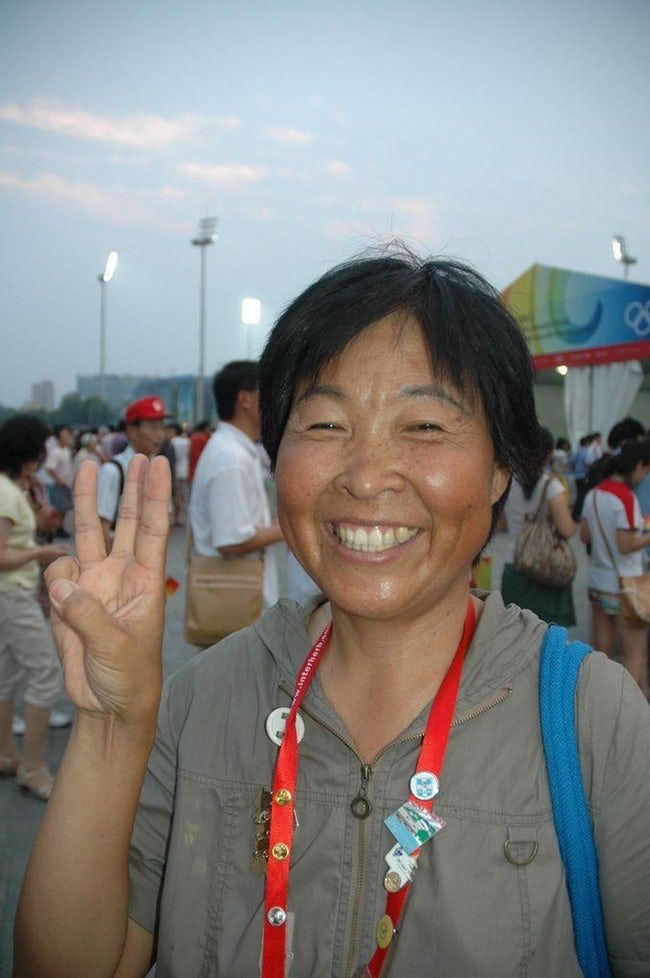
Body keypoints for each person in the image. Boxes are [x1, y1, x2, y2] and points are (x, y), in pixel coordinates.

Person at [15, 254, 650, 976]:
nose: (367, 474)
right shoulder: (199, 701)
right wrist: (109, 725)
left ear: (503, 465)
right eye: (323, 423)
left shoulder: (593, 718)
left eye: (425, 426)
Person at [0, 415, 68, 800]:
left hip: (9, 594)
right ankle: (33, 767)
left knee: (6, 675)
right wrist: (43, 552)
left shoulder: (10, 490)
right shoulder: (8, 493)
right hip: (13, 593)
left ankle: (8, 753)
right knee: (45, 673)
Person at [189, 361, 283, 611]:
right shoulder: (231, 458)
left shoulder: (236, 450)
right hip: (236, 600)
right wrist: (287, 528)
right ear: (245, 399)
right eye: (267, 392)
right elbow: (230, 540)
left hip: (241, 595)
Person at [581, 441, 650, 696]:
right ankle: (625, 707)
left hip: (598, 584)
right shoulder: (626, 497)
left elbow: (585, 535)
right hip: (626, 588)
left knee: (601, 651)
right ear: (640, 466)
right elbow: (627, 544)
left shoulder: (593, 494)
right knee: (635, 654)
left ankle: (599, 703)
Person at [500, 427, 577, 627]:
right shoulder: (552, 486)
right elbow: (567, 529)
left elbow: (500, 524)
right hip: (545, 567)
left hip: (514, 564)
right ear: (549, 454)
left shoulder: (508, 483)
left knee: (516, 632)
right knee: (547, 637)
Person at [96, 396, 167, 550]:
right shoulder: (113, 471)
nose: (160, 434)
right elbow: (102, 529)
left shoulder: (159, 469)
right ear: (132, 431)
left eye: (162, 427)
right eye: (153, 427)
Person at [170, 423, 190, 526]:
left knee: (176, 494)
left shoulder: (173, 441)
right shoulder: (188, 441)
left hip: (176, 470)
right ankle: (181, 517)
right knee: (183, 494)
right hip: (185, 470)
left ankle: (175, 517)